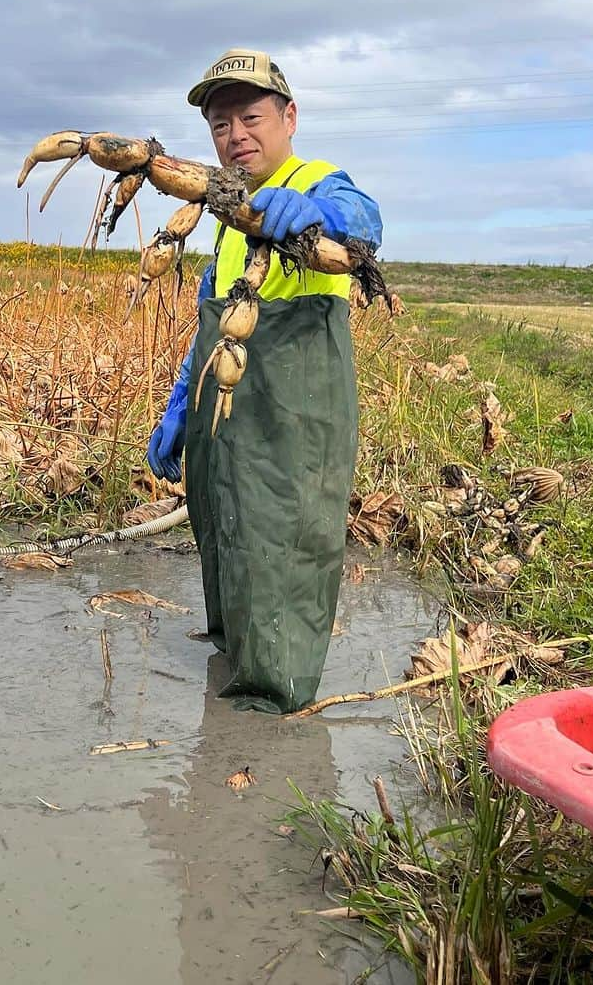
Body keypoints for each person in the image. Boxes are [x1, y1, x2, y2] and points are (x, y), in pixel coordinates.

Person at [147, 49, 382, 713]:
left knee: (286, 536)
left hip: (291, 409)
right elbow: (211, 323)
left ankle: (273, 706)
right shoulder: (227, 214)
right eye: (221, 125)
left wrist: (311, 214)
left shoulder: (320, 181)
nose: (236, 136)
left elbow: (365, 222)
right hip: (223, 410)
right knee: (223, 526)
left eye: (251, 117)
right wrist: (177, 411)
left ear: (288, 117)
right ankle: (233, 659)